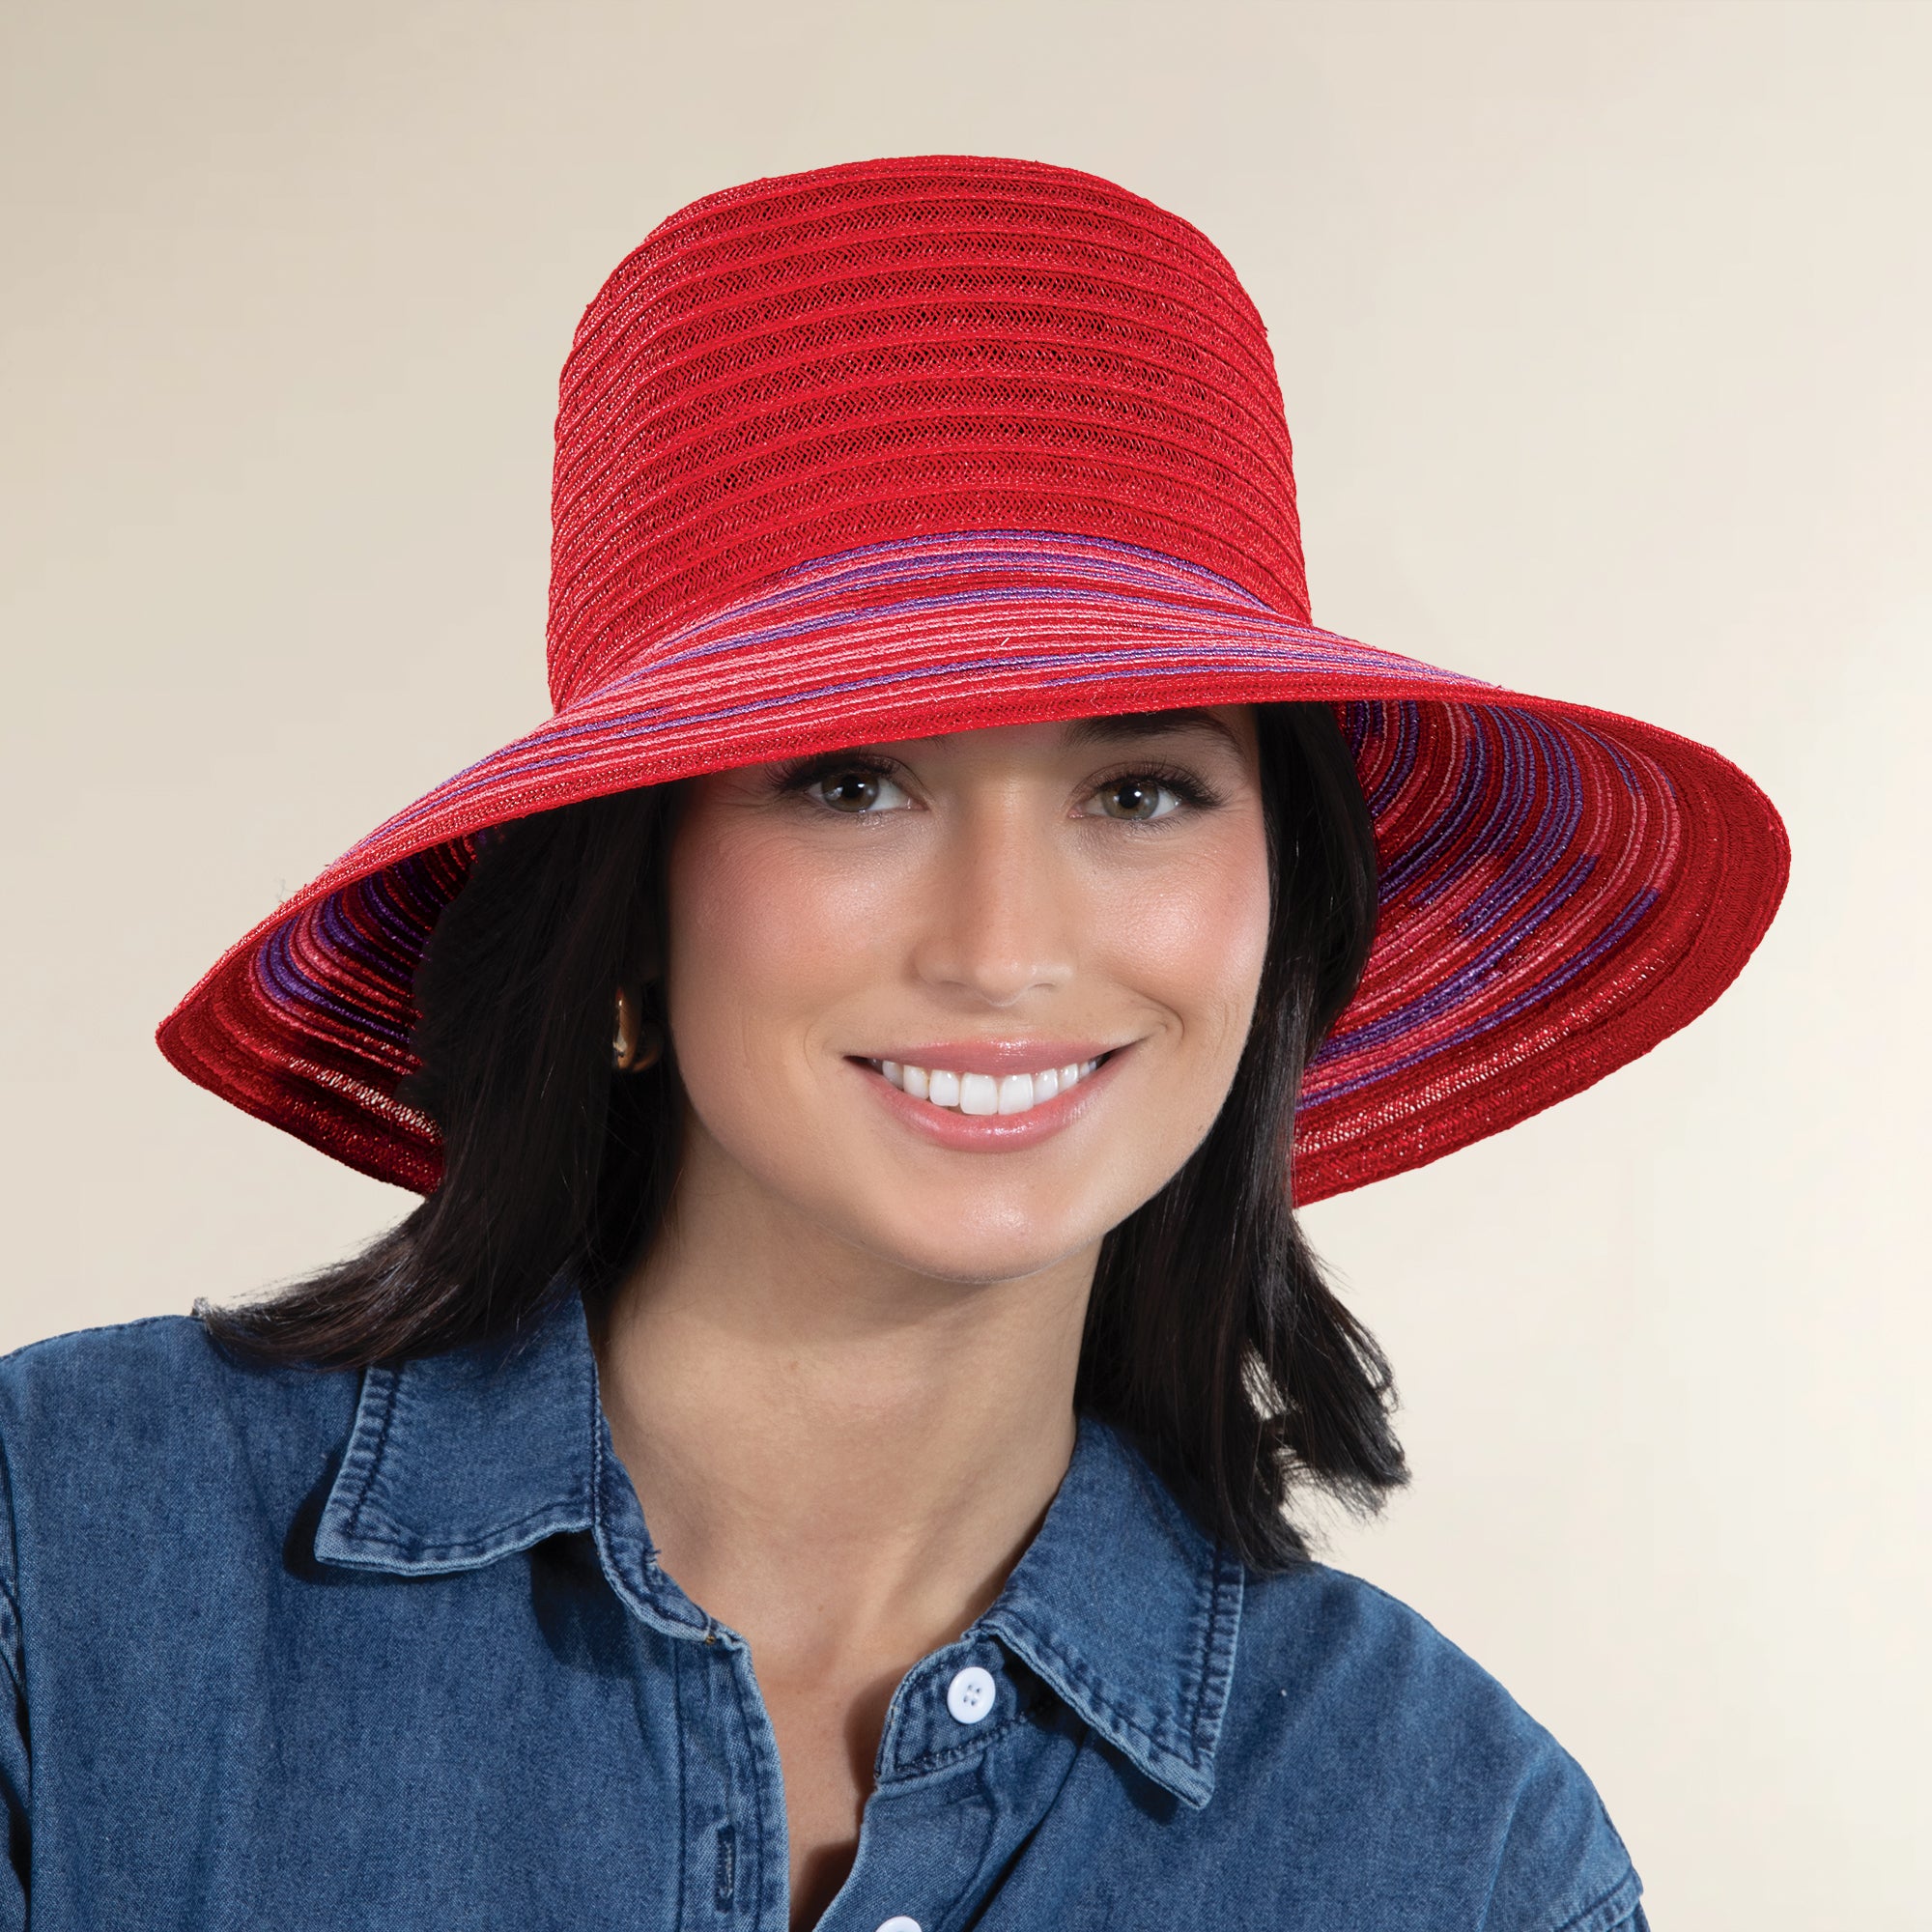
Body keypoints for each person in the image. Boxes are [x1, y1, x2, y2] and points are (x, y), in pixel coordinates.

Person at [0, 155, 1786, 1930]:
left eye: (1143, 790)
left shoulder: (1455, 1857)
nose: (1004, 949)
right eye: (850, 783)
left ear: (1280, 913)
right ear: (627, 913)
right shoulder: (65, 1567)